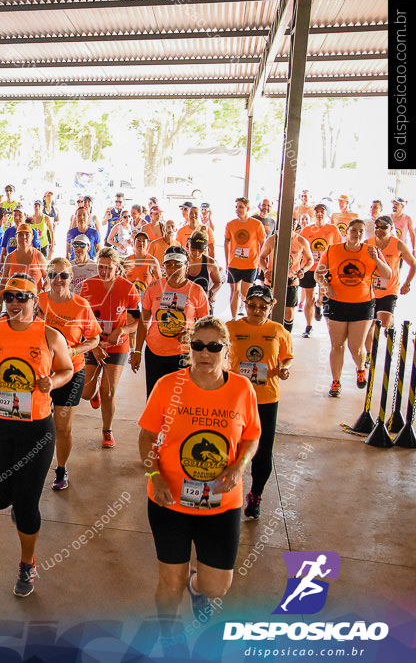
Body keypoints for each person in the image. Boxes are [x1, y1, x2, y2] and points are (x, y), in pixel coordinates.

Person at [138, 316, 261, 624]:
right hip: (170, 501)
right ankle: (168, 636)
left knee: (217, 587)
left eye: (214, 346)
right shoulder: (168, 386)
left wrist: (239, 466)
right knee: (170, 582)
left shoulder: (242, 389)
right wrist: (154, 475)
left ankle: (198, 587)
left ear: (227, 349)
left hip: (221, 504)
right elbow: (147, 436)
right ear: (188, 347)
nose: (205, 353)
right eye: (197, 346)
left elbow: (252, 436)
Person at [0, 274, 73, 597]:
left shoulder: (51, 336)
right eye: (9, 297)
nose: (14, 302)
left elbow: (67, 369)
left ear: (34, 301)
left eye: (22, 297)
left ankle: (27, 564)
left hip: (36, 430)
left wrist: (51, 384)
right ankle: (16, 498)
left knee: (27, 504)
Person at [227, 285, 293, 520]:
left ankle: (256, 495)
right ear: (245, 304)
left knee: (263, 450)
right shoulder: (231, 328)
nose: (257, 311)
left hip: (266, 398)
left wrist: (284, 369)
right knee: (232, 446)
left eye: (263, 307)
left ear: (271, 307)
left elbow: (286, 358)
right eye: (252, 306)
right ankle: (230, 491)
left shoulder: (278, 330)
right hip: (235, 397)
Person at [38, 258, 101, 488]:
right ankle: (35, 465)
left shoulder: (81, 305)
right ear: (47, 277)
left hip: (72, 372)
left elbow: (94, 338)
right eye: (53, 275)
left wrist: (73, 350)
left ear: (71, 277)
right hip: (42, 372)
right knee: (38, 423)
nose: (58, 280)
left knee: (62, 426)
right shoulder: (39, 301)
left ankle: (61, 469)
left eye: (63, 275)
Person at [318, 219, 391, 396]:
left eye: (360, 231)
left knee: (355, 346)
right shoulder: (333, 250)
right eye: (353, 231)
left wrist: (376, 259)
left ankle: (360, 368)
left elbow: (388, 274)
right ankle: (336, 382)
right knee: (337, 345)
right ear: (347, 232)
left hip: (363, 304)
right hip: (337, 303)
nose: (357, 234)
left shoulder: (372, 251)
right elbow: (318, 273)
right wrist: (326, 286)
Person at [79, 247, 141, 449]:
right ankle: (94, 391)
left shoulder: (128, 288)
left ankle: (107, 429)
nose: (104, 272)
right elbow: (83, 321)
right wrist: (94, 345)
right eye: (100, 267)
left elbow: (137, 322)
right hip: (94, 343)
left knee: (109, 392)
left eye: (108, 268)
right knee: (85, 393)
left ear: (117, 267)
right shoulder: (88, 286)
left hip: (117, 346)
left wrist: (121, 331)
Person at [132, 246, 210, 395]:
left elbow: (205, 325)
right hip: (155, 353)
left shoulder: (197, 291)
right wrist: (137, 350)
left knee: (179, 401)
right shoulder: (154, 287)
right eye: (168, 264)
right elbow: (144, 321)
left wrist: (192, 334)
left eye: (177, 264)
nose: (173, 268)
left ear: (186, 266)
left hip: (183, 355)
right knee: (155, 397)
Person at [365, 215, 416, 360]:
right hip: (370, 291)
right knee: (370, 325)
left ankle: (391, 323)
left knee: (384, 321)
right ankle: (369, 355)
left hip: (389, 290)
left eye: (384, 227)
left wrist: (407, 283)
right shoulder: (368, 243)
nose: (379, 230)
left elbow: (414, 264)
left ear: (391, 229)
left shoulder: (398, 244)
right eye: (377, 227)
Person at [257, 220, 314, 333]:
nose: (290, 226)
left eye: (293, 223)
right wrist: (265, 270)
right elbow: (261, 257)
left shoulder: (300, 241)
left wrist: (303, 270)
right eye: (288, 223)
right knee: (269, 309)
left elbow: (310, 260)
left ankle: (287, 337)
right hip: (272, 281)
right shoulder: (272, 240)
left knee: (289, 312)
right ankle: (269, 336)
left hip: (291, 281)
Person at [299, 204, 341, 337]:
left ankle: (319, 304)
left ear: (327, 214)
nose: (319, 214)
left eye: (322, 212)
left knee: (324, 297)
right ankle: (309, 325)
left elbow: (339, 248)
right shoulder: (306, 230)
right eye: (317, 212)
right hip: (309, 267)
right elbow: (299, 247)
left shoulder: (332, 229)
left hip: (325, 268)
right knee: (309, 297)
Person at [224, 198, 267, 318]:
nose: (237, 209)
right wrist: (227, 261)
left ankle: (248, 317)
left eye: (241, 207)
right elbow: (226, 242)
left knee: (245, 294)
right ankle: (233, 318)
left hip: (250, 264)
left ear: (247, 209)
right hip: (234, 263)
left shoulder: (257, 224)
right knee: (234, 292)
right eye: (236, 207)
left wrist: (261, 262)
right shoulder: (231, 224)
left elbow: (263, 243)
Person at [1, 225, 48, 291]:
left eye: (27, 234)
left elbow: (48, 278)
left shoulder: (39, 256)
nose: (24, 237)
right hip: (14, 299)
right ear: (16, 237)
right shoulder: (9, 257)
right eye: (20, 235)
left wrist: (43, 289)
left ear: (32, 237)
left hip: (34, 299)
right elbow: (4, 279)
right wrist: (1, 300)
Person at [186, 232, 222, 312]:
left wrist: (210, 293)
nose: (196, 253)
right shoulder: (182, 261)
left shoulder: (210, 263)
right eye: (193, 250)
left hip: (202, 302)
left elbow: (218, 282)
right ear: (189, 245)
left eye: (200, 250)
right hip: (185, 302)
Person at [125, 231, 162, 296]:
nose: (141, 243)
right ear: (134, 243)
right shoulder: (127, 260)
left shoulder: (152, 261)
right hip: (129, 297)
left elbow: (160, 282)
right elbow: (121, 280)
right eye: (138, 240)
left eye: (144, 241)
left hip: (146, 298)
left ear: (147, 244)